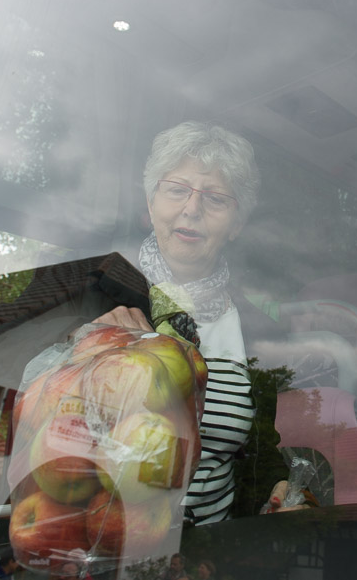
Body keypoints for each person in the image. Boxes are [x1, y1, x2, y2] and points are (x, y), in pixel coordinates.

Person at [95, 122, 291, 524]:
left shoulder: (259, 333)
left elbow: (261, 451)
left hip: (215, 551)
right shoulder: (92, 292)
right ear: (150, 205)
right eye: (176, 190)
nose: (192, 209)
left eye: (215, 198)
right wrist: (82, 344)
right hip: (102, 542)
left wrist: (280, 490)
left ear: (237, 224)